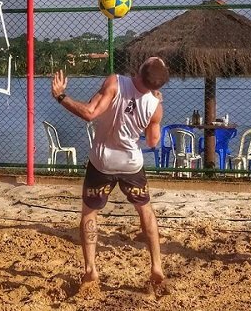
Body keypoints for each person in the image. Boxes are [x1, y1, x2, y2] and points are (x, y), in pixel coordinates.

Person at [51, 57, 170, 291]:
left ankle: (90, 270)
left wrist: (61, 96)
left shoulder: (115, 82)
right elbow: (153, 141)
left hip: (102, 161)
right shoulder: (155, 105)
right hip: (131, 163)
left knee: (89, 214)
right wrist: (151, 109)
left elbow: (90, 113)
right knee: (144, 209)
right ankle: (156, 265)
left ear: (139, 68)